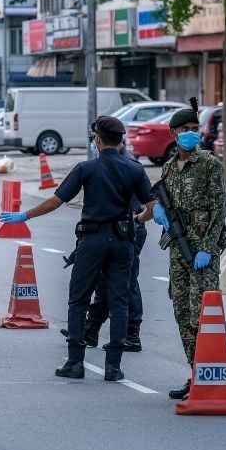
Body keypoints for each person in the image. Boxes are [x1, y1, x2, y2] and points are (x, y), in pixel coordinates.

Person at [0, 115, 155, 381]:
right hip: (122, 242)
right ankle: (114, 367)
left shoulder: (86, 168)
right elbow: (151, 207)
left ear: (97, 139)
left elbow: (55, 201)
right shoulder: (135, 169)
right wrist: (136, 220)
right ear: (121, 141)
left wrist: (24, 216)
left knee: (78, 300)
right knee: (119, 302)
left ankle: (75, 362)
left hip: (92, 241)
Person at [150, 97, 226, 401]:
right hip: (178, 253)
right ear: (173, 132)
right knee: (182, 313)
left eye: (195, 128)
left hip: (202, 253)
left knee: (203, 316)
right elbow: (164, 202)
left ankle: (209, 375)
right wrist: (157, 211)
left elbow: (220, 209)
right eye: (185, 128)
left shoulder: (209, 163)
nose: (191, 133)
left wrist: (208, 247)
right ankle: (195, 373)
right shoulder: (169, 168)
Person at [60, 141, 148, 352]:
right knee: (103, 282)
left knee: (126, 284)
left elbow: (141, 205)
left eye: (96, 137)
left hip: (127, 227)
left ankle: (131, 334)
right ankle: (91, 329)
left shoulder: (126, 165)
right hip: (115, 229)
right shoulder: (109, 163)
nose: (94, 142)